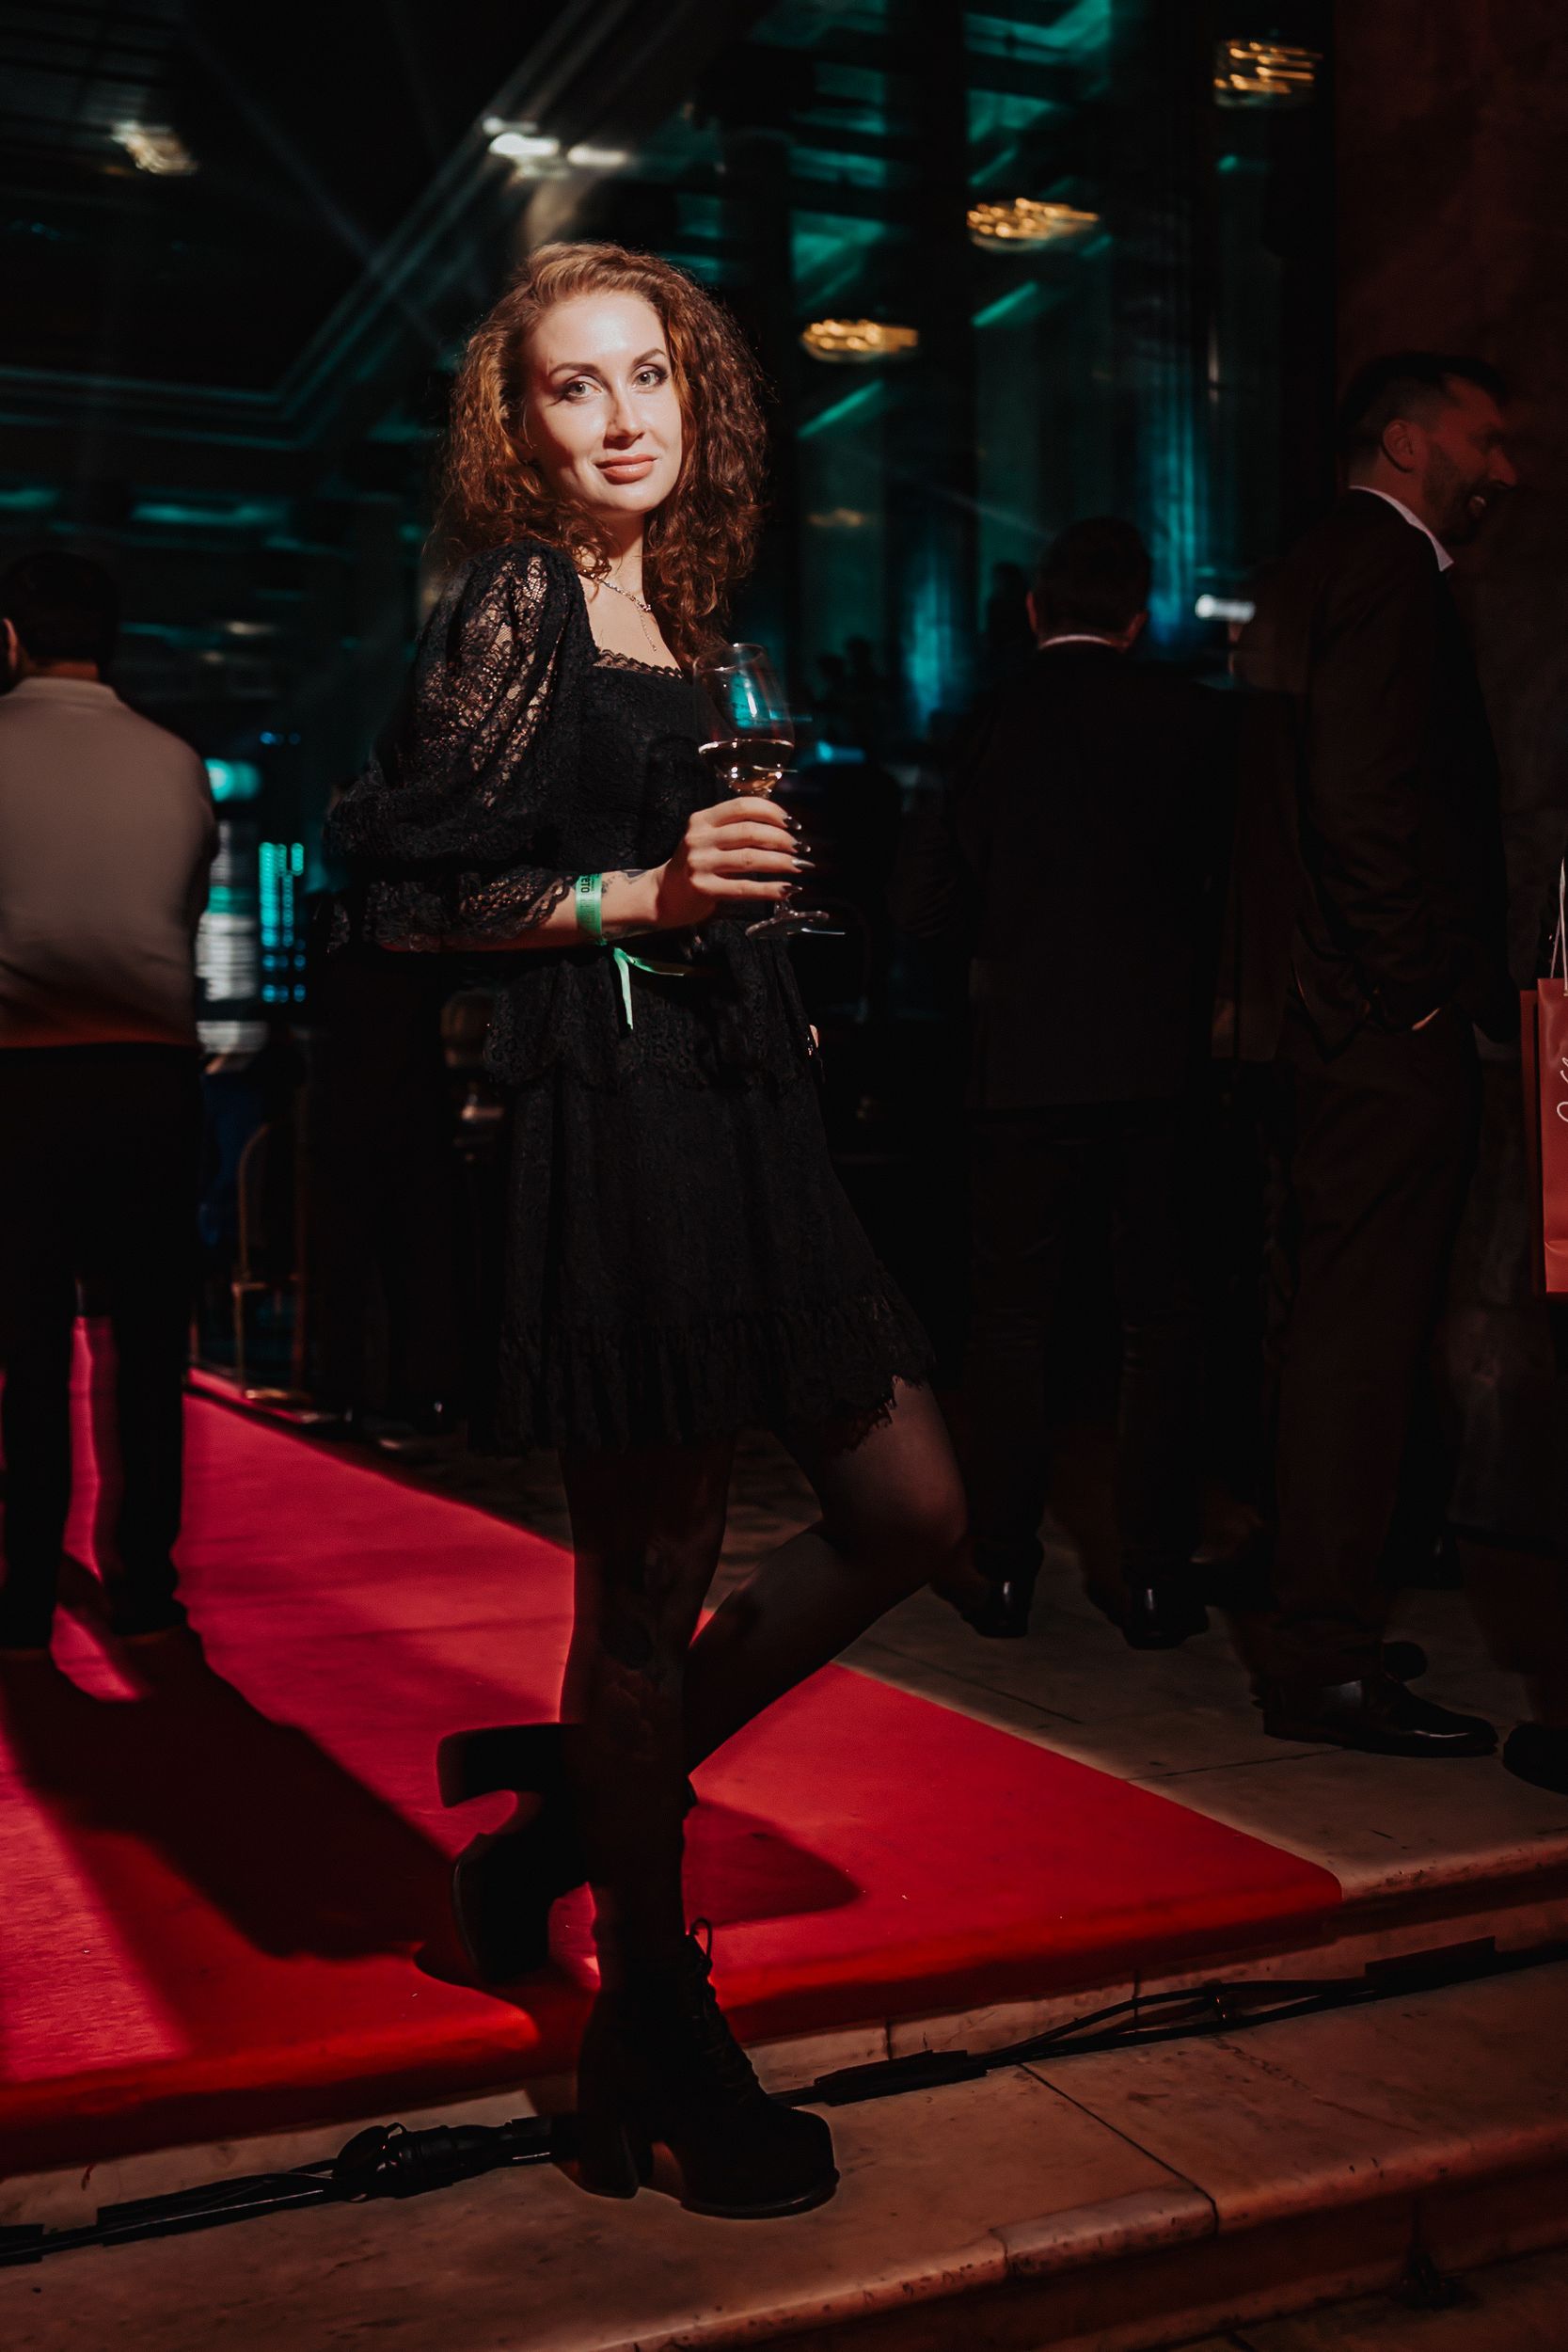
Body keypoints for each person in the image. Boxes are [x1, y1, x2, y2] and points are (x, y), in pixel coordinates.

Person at [326, 242, 965, 2222]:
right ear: (516, 427)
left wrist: (733, 910)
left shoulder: (678, 602)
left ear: (699, 397)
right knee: (641, 1579)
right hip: (619, 1125)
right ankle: (653, 2022)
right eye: (573, 386)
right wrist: (644, 900)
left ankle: (546, 1845)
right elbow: (405, 896)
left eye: (650, 377)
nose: (621, 418)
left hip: (744, 1102)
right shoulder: (521, 597)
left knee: (910, 1508)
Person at [1229, 351, 1518, 1756]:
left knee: (1315, 1330)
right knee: (1360, 1340)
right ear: (1404, 443)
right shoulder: (1389, 570)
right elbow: (1358, 803)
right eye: (1482, 440)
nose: (1501, 469)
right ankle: (1325, 1659)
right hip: (1368, 1029)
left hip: (1300, 1025)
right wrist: (1410, 997)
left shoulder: (1305, 566)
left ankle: (1315, 1618)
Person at [891, 518, 1232, 1645]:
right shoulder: (1194, 719)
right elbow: (1230, 890)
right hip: (1157, 1061)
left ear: (1035, 609)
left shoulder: (980, 722)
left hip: (1019, 1063)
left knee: (1010, 1321)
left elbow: (921, 908)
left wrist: (999, 962)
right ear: (1137, 615)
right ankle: (1152, 1578)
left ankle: (1001, 1571)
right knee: (1159, 1321)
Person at [0, 551, 215, 1651]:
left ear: (8, 637)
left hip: (20, 1084)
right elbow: (178, 914)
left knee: (27, 1351)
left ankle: (24, 1593)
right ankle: (142, 1590)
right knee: (148, 1352)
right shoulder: (177, 760)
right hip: (151, 1080)